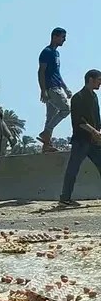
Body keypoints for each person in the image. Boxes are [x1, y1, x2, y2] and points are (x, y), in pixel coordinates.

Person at [58, 70, 101, 208]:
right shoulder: (78, 97)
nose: (100, 83)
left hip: (94, 142)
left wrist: (98, 132)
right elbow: (79, 121)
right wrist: (94, 131)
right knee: (73, 169)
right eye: (99, 79)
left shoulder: (94, 97)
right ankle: (65, 198)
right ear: (91, 79)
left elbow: (97, 118)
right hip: (81, 141)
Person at [38, 27, 71, 152]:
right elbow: (41, 72)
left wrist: (65, 88)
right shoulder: (46, 52)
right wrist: (43, 90)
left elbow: (57, 73)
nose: (64, 40)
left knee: (50, 117)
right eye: (63, 37)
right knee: (66, 109)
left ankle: (46, 145)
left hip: (57, 85)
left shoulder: (56, 53)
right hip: (51, 88)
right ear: (55, 37)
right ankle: (46, 132)